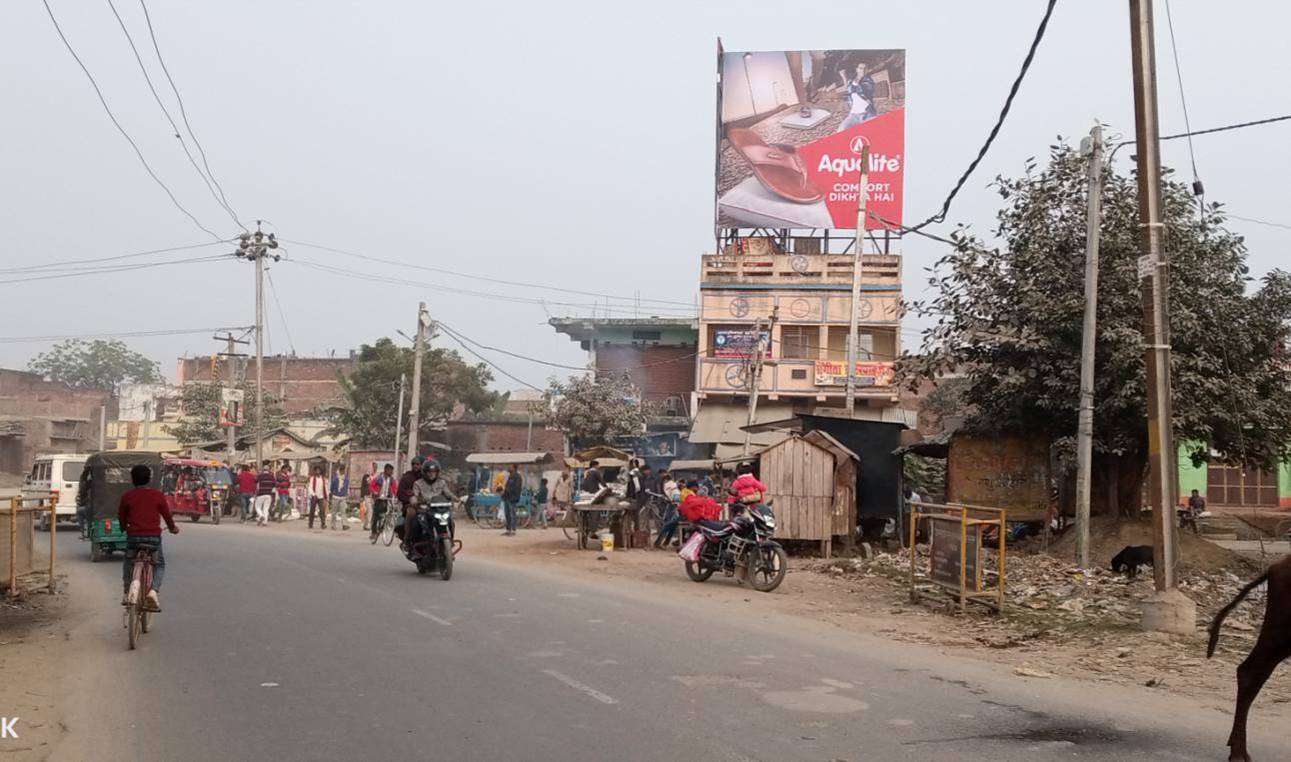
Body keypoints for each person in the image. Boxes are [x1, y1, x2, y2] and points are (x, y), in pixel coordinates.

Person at [118, 464, 178, 611]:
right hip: (153, 537)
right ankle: (153, 591)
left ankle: (127, 592)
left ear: (132, 479)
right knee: (159, 565)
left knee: (128, 562)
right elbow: (167, 516)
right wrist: (172, 528)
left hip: (133, 537)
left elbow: (121, 517)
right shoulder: (157, 495)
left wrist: (123, 528)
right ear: (149, 479)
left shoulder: (127, 496)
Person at [408, 460, 457, 555]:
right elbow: (414, 495)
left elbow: (448, 494)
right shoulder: (418, 483)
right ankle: (411, 543)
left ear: (437, 472)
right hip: (425, 510)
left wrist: (458, 499)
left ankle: (451, 541)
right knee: (416, 523)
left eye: (434, 472)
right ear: (424, 472)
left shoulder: (442, 483)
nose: (431, 474)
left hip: (439, 509)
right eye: (429, 472)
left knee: (450, 520)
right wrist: (414, 501)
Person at [836, 61, 876, 132]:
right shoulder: (852, 81)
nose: (863, 70)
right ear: (857, 69)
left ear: (867, 70)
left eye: (865, 68)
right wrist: (844, 77)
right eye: (860, 68)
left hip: (867, 114)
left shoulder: (869, 81)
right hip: (853, 115)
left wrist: (857, 78)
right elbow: (850, 89)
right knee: (841, 130)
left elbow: (862, 89)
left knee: (874, 132)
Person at [396, 456, 425, 542]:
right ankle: (407, 539)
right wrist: (410, 499)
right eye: (413, 464)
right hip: (411, 505)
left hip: (427, 505)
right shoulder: (406, 478)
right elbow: (400, 494)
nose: (415, 466)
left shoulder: (427, 478)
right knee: (411, 513)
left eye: (417, 464)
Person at [370, 463, 396, 540]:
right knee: (376, 515)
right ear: (385, 470)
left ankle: (382, 527)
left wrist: (394, 496)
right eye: (390, 470)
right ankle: (373, 532)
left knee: (387, 513)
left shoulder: (391, 480)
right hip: (378, 498)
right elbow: (371, 486)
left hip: (387, 499)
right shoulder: (378, 478)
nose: (391, 472)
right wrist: (374, 492)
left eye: (392, 471)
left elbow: (394, 489)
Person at [501, 463, 522, 536]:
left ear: (514, 468)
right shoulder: (509, 476)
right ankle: (508, 529)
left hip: (512, 498)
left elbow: (516, 488)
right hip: (507, 497)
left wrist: (507, 490)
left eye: (510, 467)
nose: (509, 468)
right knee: (507, 514)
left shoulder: (517, 477)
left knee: (512, 514)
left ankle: (513, 530)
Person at [307, 465, 329, 529]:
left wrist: (326, 495)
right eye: (316, 470)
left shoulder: (323, 479)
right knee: (312, 511)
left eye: (319, 470)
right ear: (315, 471)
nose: (318, 471)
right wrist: (313, 494)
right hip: (314, 496)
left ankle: (323, 524)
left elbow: (325, 487)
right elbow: (310, 487)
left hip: (321, 496)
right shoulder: (312, 478)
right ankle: (310, 523)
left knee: (322, 510)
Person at [330, 464, 350, 530]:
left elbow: (346, 488)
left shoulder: (346, 478)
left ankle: (344, 525)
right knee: (334, 512)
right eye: (341, 470)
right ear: (339, 470)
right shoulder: (335, 478)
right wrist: (334, 493)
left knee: (343, 512)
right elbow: (331, 487)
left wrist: (346, 494)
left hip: (343, 497)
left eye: (343, 470)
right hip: (335, 497)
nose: (342, 471)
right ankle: (333, 525)